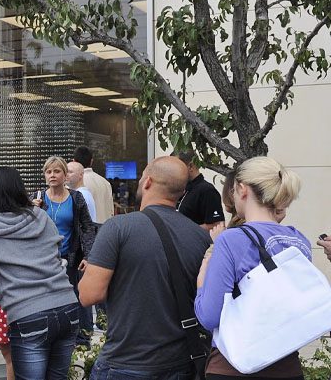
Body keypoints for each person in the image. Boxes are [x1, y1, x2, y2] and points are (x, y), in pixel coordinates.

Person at [79, 156, 212, 379]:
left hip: (125, 362)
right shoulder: (199, 236)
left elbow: (88, 295)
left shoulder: (118, 228)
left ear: (148, 181)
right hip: (180, 364)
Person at [195, 157, 307, 380]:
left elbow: (209, 316)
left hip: (233, 366)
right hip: (286, 365)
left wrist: (201, 284)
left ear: (242, 190)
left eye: (234, 191)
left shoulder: (230, 240)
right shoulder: (298, 240)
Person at [0, 167, 80, 380]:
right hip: (67, 306)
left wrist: (0, 297)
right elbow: (55, 252)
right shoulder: (41, 216)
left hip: (28, 314)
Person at [32, 156, 97, 346]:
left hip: (70, 257)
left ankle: (82, 338)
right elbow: (26, 227)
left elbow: (87, 227)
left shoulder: (76, 198)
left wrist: (89, 255)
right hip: (44, 260)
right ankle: (51, 335)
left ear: (65, 175)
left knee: (76, 298)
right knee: (48, 299)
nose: (52, 175)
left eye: (56, 171)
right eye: (48, 172)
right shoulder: (37, 197)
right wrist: (31, 210)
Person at [175, 151, 226, 231]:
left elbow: (217, 225)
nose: (172, 171)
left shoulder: (207, 190)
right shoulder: (182, 188)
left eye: (176, 167)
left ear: (191, 166)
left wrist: (183, 231)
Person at [72, 146, 115, 224]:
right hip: (104, 230)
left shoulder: (73, 183)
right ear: (91, 161)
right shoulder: (105, 183)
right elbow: (111, 211)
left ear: (74, 161)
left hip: (84, 232)